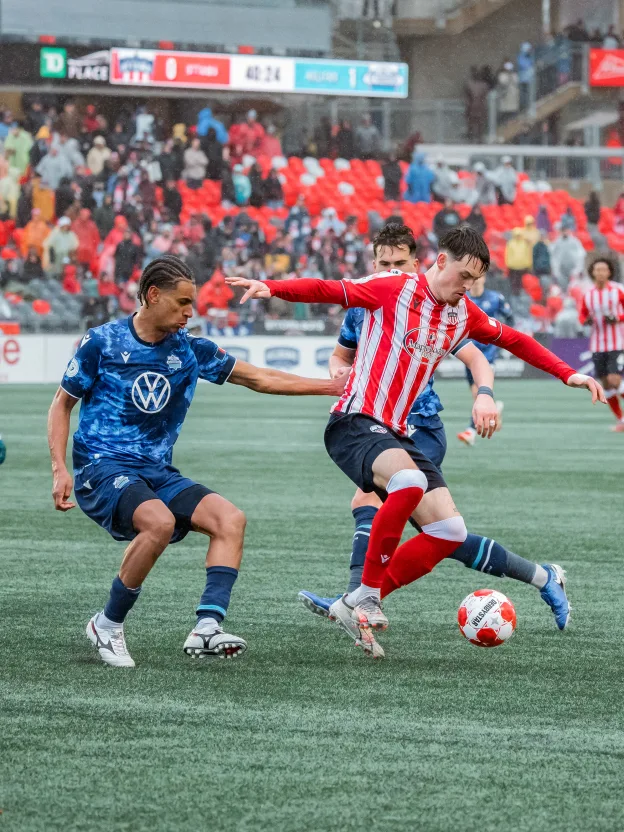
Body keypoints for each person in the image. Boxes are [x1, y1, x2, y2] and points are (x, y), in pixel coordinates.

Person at [227, 227, 604, 657]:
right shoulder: (393, 288)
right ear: (440, 262)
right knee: (405, 484)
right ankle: (366, 595)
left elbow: (513, 340)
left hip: (399, 432)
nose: (467, 288)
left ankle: (355, 602)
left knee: (448, 530)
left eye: (473, 281)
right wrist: (270, 287)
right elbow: (327, 289)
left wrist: (566, 372)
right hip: (353, 421)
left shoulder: (463, 313)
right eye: (463, 277)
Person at [47, 255, 347, 667]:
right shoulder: (102, 341)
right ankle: (107, 624)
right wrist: (60, 468)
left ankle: (207, 627)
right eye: (182, 302)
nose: (190, 312)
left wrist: (330, 387)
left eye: (193, 303)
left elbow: (258, 377)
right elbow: (62, 404)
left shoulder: (189, 350)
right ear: (153, 296)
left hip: (155, 471)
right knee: (159, 522)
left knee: (230, 520)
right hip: (102, 466)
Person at [297, 224, 571, 639]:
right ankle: (541, 575)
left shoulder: (441, 304)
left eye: (398, 263)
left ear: (419, 262)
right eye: (382, 263)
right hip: (375, 421)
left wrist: (483, 393)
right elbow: (340, 356)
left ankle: (360, 598)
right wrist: (342, 376)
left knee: (374, 500)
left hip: (417, 425)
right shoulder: (368, 303)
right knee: (445, 532)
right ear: (374, 265)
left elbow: (481, 356)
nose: (390, 269)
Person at [457, 273, 513, 446]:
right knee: (477, 394)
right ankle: (494, 412)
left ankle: (470, 431)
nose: (475, 281)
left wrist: (503, 336)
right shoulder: (462, 299)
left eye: (478, 277)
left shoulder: (495, 298)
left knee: (478, 392)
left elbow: (510, 317)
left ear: (483, 279)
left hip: (488, 354)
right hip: (469, 354)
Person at [579, 258, 624, 432]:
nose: (600, 273)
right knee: (606, 385)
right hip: (597, 344)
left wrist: (618, 319)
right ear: (593, 272)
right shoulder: (588, 294)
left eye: (603, 270)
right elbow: (582, 315)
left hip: (617, 342)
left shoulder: (618, 290)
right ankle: (621, 419)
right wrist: (586, 321)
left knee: (614, 380)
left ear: (609, 272)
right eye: (597, 270)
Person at [505, 227, 533, 295]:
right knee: (514, 285)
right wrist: (509, 264)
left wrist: (529, 265)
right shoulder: (510, 243)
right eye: (517, 235)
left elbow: (528, 254)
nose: (518, 237)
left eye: (519, 235)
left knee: (524, 285)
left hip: (523, 267)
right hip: (513, 268)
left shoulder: (525, 243)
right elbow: (508, 255)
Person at [464, 66, 489, 142]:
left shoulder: (484, 85)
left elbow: (485, 97)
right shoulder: (469, 85)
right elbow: (467, 97)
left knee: (480, 126)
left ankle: (479, 139)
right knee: (471, 125)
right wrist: (468, 106)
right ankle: (471, 139)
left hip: (480, 107)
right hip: (472, 107)